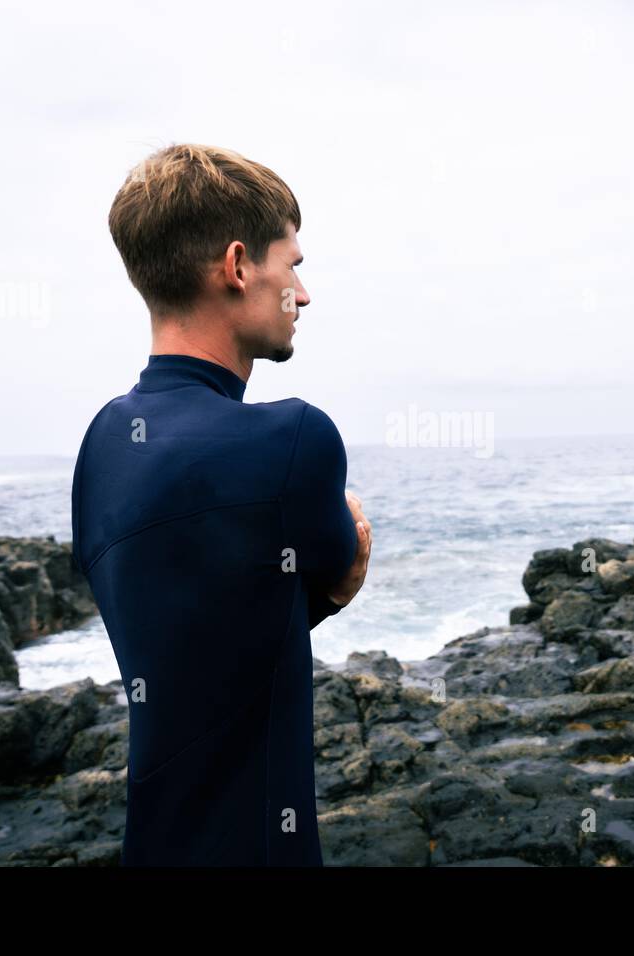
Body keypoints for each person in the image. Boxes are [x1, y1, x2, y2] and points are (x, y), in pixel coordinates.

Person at [70, 144, 372, 865]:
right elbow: (335, 570)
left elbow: (196, 627)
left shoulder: (103, 445)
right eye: (292, 264)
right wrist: (334, 584)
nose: (303, 292)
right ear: (238, 267)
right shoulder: (295, 437)